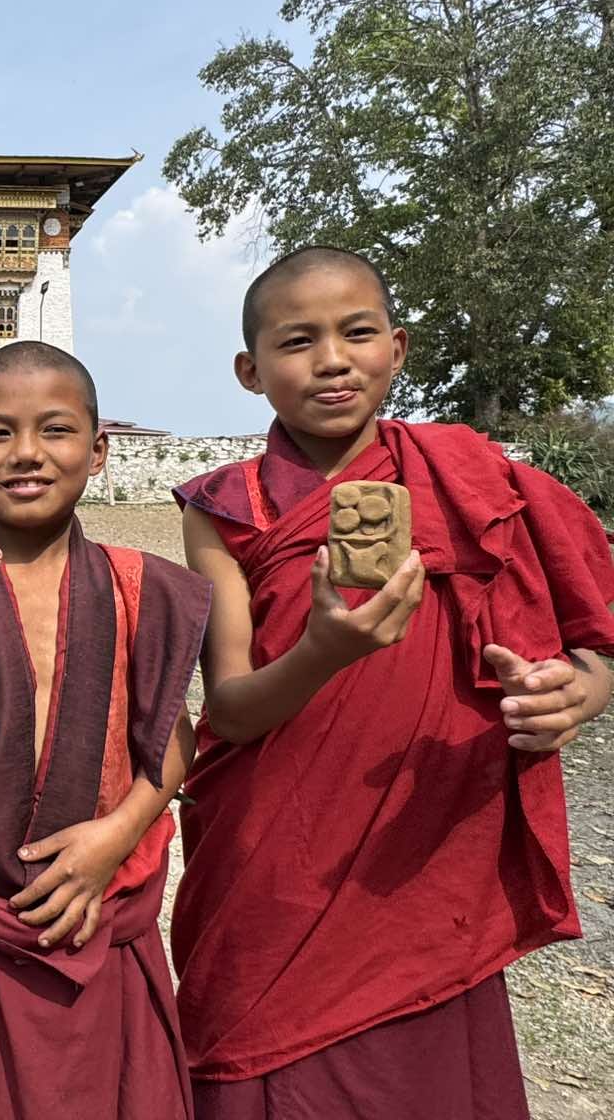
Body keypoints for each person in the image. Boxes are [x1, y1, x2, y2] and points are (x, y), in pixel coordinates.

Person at [172, 247, 614, 1118]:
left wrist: (583, 691)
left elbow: (587, 638)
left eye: (358, 333)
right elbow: (228, 703)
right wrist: (322, 654)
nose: (332, 359)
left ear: (399, 348)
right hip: (278, 857)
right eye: (298, 341)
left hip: (428, 852)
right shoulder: (224, 506)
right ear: (250, 370)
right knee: (254, 1047)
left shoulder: (472, 475)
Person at [0, 342, 211, 1119]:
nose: (25, 454)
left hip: (102, 911)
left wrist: (115, 837)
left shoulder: (140, 585)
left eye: (55, 431)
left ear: (97, 453)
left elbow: (172, 736)